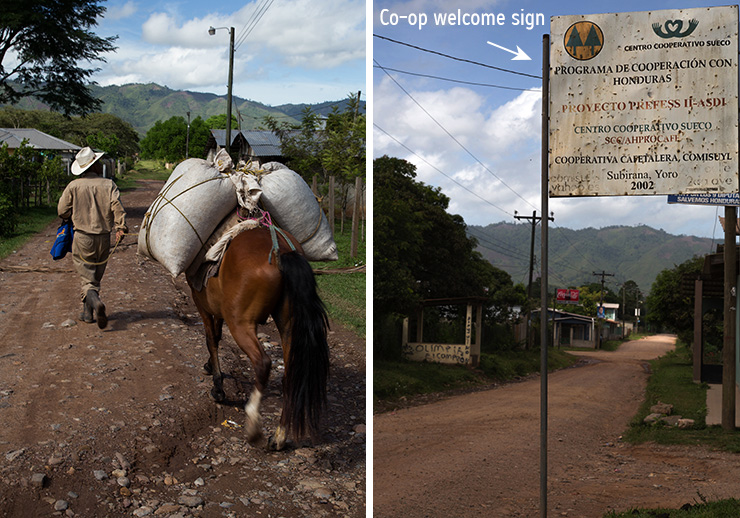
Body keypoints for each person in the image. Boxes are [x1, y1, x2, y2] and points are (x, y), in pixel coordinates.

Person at [58, 147, 127, 328]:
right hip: (104, 237)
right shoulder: (109, 185)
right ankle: (87, 313)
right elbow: (117, 207)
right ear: (95, 165)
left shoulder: (73, 186)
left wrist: (71, 215)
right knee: (95, 276)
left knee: (87, 278)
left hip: (83, 237)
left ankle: (95, 303)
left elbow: (62, 211)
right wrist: (120, 227)